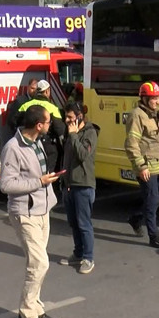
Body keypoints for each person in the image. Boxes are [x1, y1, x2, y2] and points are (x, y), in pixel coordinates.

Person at [0, 105, 62, 318]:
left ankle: (36, 307)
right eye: (48, 122)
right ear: (38, 125)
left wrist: (47, 182)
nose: (50, 125)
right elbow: (6, 184)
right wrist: (39, 182)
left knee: (37, 264)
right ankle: (26, 314)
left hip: (42, 209)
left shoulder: (37, 142)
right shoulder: (13, 148)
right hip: (25, 213)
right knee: (40, 263)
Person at [124, 81, 159, 250]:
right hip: (147, 167)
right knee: (152, 199)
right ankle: (154, 236)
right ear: (144, 99)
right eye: (154, 98)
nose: (157, 101)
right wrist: (141, 166)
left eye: (158, 97)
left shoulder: (155, 114)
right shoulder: (137, 115)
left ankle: (136, 218)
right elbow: (131, 144)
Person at [59, 102, 100, 274]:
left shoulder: (90, 132)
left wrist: (74, 135)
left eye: (70, 117)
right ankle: (78, 253)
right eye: (66, 117)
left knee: (84, 224)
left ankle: (88, 258)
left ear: (79, 116)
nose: (67, 120)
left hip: (83, 185)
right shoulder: (70, 132)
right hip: (69, 185)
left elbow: (83, 154)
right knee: (73, 222)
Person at [20, 80, 65, 177]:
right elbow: (60, 129)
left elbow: (13, 122)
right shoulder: (52, 108)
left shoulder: (25, 105)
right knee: (49, 175)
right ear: (47, 91)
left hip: (27, 143)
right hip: (48, 146)